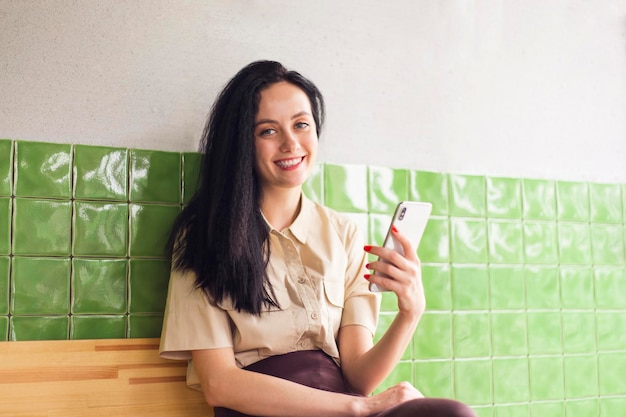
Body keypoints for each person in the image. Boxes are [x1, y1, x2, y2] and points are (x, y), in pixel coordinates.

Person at [159, 60, 476, 417]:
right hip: (264, 411)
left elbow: (358, 376)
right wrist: (361, 407)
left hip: (342, 407)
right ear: (242, 144)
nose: (290, 143)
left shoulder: (343, 234)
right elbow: (219, 384)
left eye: (301, 124)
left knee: (452, 414)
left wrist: (410, 312)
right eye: (267, 131)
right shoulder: (203, 237)